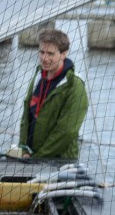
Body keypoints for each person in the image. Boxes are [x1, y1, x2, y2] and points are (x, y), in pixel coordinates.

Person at [19, 29, 88, 159]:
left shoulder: (75, 85)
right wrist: (24, 149)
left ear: (64, 54)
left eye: (50, 54)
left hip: (61, 164)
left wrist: (38, 158)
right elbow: (26, 116)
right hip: (33, 159)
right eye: (42, 52)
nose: (44, 58)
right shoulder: (38, 77)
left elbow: (66, 131)